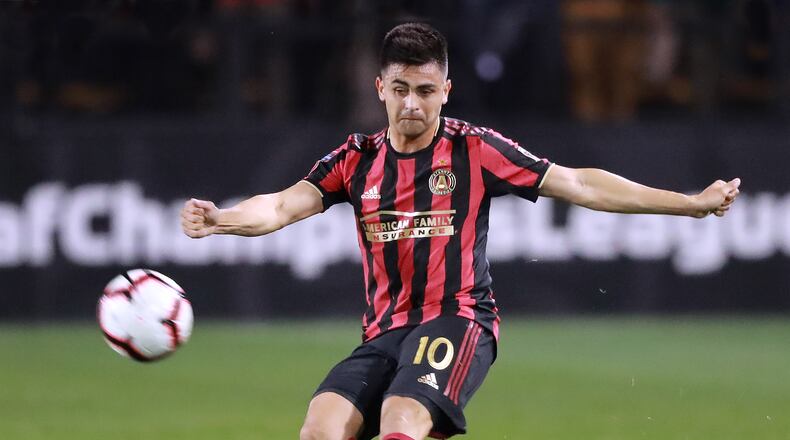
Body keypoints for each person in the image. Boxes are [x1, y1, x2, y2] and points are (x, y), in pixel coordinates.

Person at [180, 23, 740, 440]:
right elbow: (280, 206)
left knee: (402, 422)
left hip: (459, 319)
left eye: (425, 91)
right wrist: (221, 220)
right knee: (319, 430)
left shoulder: (475, 151)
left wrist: (687, 204)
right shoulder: (355, 160)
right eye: (400, 89)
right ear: (380, 88)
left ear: (446, 90)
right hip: (382, 333)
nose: (412, 104)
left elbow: (580, 185)